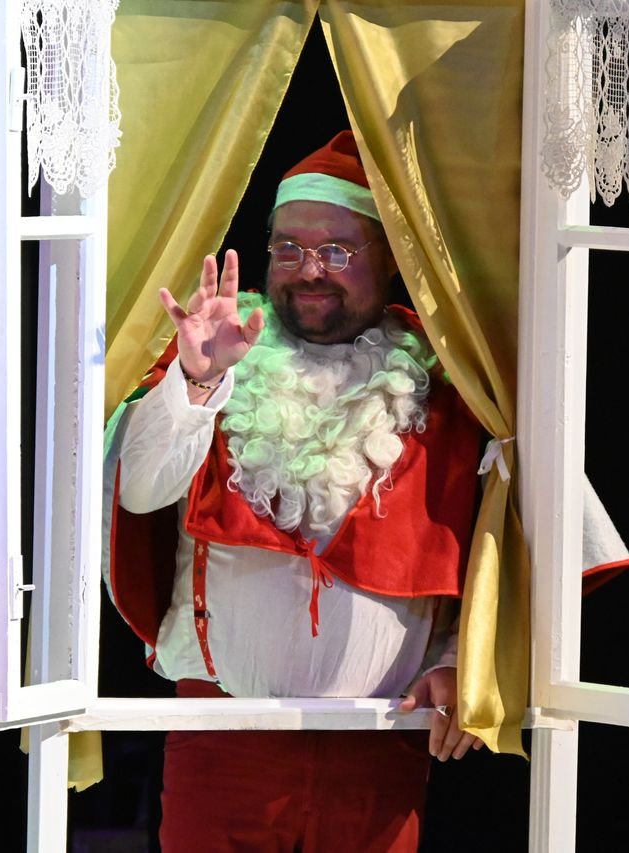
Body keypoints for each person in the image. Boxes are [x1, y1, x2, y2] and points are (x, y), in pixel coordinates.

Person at [102, 130, 486, 852]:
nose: (310, 270)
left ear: (389, 259)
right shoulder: (219, 350)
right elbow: (141, 491)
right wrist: (198, 382)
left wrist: (459, 656)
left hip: (381, 745)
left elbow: (499, 548)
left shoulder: (452, 383)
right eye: (288, 248)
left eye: (337, 250)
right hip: (223, 740)